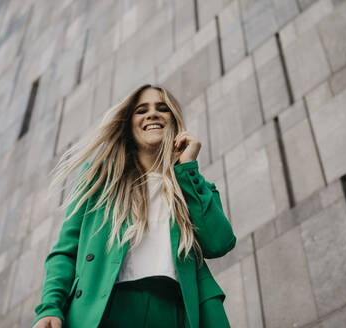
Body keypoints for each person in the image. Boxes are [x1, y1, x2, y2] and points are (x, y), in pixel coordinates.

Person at [32, 84, 237, 328]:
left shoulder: (193, 185)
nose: (153, 114)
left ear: (174, 121)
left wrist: (187, 168)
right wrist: (50, 306)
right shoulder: (98, 181)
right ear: (129, 124)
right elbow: (66, 251)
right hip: (108, 309)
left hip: (175, 314)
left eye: (163, 108)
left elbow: (220, 243)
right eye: (142, 110)